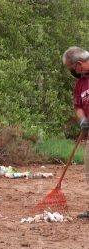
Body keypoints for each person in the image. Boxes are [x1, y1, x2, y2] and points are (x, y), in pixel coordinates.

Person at [63, 46, 89, 219]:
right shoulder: (80, 83)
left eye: (71, 69)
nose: (72, 72)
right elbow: (78, 106)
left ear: (78, 65)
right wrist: (82, 120)